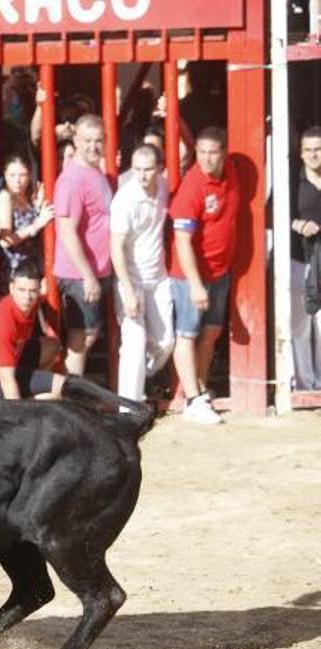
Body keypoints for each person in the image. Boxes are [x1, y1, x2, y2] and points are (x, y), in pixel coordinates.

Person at [168, 127, 239, 425]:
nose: (207, 159)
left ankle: (199, 389)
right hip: (191, 276)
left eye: (213, 153)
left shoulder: (231, 172)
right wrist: (196, 285)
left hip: (219, 271)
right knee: (187, 334)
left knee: (210, 334)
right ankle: (192, 400)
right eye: (202, 153)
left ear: (224, 154)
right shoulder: (192, 187)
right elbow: (182, 241)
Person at [109, 144, 174, 405]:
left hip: (158, 277)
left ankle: (143, 379)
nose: (142, 175)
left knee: (166, 341)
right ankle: (129, 407)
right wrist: (127, 291)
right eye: (137, 169)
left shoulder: (165, 186)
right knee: (134, 345)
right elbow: (116, 248)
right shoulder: (125, 199)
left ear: (159, 168)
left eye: (148, 169)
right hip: (131, 278)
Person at [53, 114, 114, 377]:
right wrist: (88, 276)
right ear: (76, 140)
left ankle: (73, 390)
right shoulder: (72, 179)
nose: (93, 146)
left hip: (96, 270)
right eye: (87, 140)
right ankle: (71, 392)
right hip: (79, 274)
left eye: (98, 141)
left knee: (89, 334)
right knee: (81, 339)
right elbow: (66, 230)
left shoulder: (95, 171)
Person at [0, 260, 65, 400]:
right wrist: (16, 411)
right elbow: (7, 379)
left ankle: (31, 392)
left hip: (12, 360)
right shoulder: (2, 321)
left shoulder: (29, 302)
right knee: (63, 388)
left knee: (52, 345)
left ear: (39, 289)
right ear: (11, 288)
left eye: (32, 291)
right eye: (21, 290)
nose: (27, 297)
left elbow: (38, 295)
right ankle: (29, 406)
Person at [291, 126, 321, 391]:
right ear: (300, 153)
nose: (313, 155)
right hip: (299, 259)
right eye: (308, 150)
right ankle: (304, 384)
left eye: (318, 149)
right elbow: (271, 214)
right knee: (301, 324)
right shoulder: (292, 182)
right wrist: (298, 225)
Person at [0, 154, 54, 283]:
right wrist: (37, 224)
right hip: (16, 268)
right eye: (12, 175)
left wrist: (37, 207)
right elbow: (5, 240)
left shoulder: (27, 195)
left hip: (34, 263)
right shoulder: (5, 198)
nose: (17, 180)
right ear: (5, 175)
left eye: (22, 175)